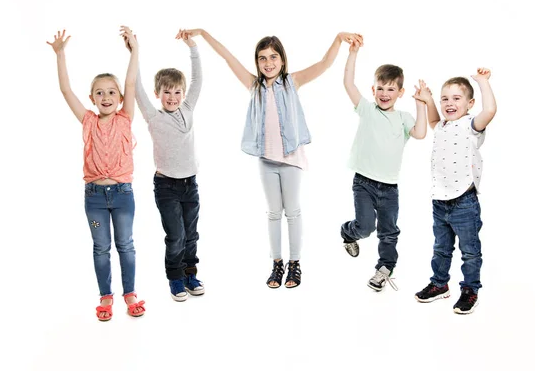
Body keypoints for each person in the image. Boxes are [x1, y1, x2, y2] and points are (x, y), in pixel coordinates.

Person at [178, 28, 362, 288]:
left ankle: (295, 264)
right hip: (266, 161)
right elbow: (227, 57)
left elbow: (324, 64)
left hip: (291, 160)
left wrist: (338, 39)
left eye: (273, 57)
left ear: (282, 60)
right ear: (257, 63)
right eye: (262, 58)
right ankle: (277, 264)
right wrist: (202, 34)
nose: (268, 63)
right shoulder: (254, 86)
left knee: (293, 212)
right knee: (274, 213)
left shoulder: (292, 82)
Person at [47, 27, 145, 321]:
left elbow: (130, 81)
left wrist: (135, 49)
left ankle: (130, 293)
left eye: (111, 92)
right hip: (94, 197)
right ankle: (106, 296)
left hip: (122, 193)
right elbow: (66, 90)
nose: (106, 96)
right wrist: (60, 54)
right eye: (100, 92)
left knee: (125, 244)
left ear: (119, 97)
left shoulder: (125, 117)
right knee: (101, 247)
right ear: (92, 98)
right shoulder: (88, 120)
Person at [340, 39, 428, 291]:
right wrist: (353, 53)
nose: (384, 94)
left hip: (389, 188)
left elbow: (420, 133)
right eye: (380, 88)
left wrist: (421, 104)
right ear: (373, 89)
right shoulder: (367, 110)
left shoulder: (403, 118)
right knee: (365, 228)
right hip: (364, 183)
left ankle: (384, 268)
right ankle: (348, 232)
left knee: (388, 231)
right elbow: (348, 82)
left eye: (390, 89)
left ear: (400, 92)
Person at [414, 68, 497, 314]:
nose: (449, 103)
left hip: (464, 201)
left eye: (456, 98)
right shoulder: (441, 125)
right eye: (444, 99)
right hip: (440, 201)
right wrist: (428, 100)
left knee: (470, 252)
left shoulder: (471, 126)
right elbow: (431, 121)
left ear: (470, 104)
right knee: (441, 247)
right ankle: (439, 284)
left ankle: (470, 290)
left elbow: (490, 110)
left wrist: (482, 82)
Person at [132, 30, 203, 302]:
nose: (172, 97)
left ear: (183, 94)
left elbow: (198, 78)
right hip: (166, 186)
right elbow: (135, 87)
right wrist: (134, 51)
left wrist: (192, 47)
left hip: (190, 184)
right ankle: (175, 278)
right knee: (176, 235)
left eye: (177, 92)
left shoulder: (187, 109)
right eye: (166, 92)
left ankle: (190, 273)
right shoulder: (152, 116)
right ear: (157, 93)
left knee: (191, 234)